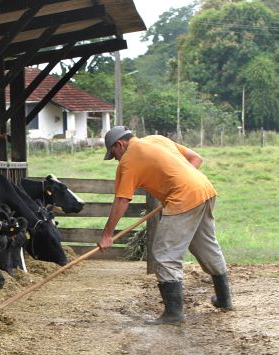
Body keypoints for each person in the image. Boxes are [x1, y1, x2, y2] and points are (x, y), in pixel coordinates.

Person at [97, 126, 233, 324]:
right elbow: (196, 158)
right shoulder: (157, 139)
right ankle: (224, 299)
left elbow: (122, 200)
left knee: (165, 254)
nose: (116, 159)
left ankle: (173, 313)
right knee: (206, 246)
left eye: (114, 154)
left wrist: (107, 235)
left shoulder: (128, 160)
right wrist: (182, 184)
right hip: (204, 190)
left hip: (184, 199)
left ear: (120, 144)